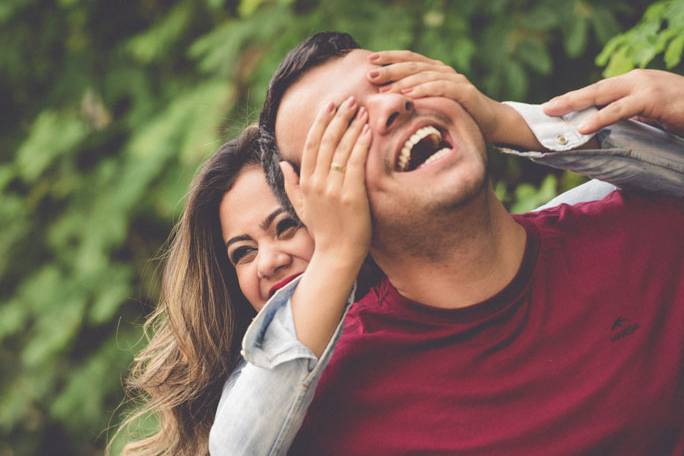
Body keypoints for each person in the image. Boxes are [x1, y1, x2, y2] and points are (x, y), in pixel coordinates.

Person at [249, 32, 684, 455]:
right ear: (316, 203)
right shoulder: (334, 411)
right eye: (345, 125)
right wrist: (333, 250)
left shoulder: (651, 230)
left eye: (398, 81)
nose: (393, 105)